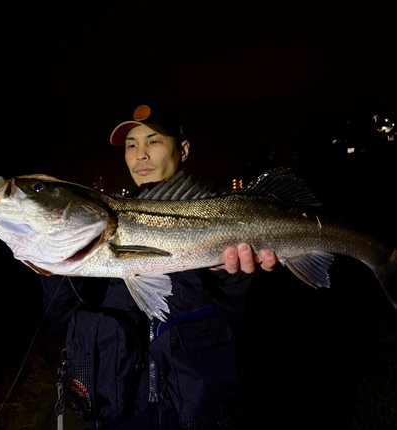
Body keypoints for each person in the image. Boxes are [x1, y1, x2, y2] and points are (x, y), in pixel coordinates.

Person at [42, 101, 277, 429]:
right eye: (131, 145)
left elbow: (257, 326)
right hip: (123, 416)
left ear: (183, 149)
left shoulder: (222, 215)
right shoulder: (103, 226)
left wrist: (233, 277)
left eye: (153, 141)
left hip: (201, 415)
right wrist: (55, 269)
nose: (140, 155)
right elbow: (66, 321)